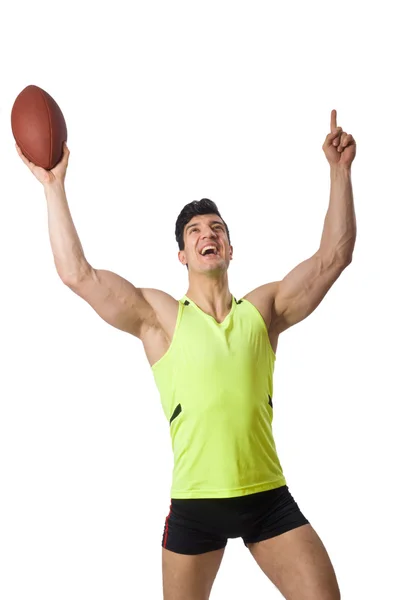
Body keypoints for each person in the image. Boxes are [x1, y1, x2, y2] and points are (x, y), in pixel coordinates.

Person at [16, 108, 356, 600]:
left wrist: (339, 172)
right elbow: (78, 274)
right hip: (195, 507)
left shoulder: (263, 310)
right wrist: (53, 186)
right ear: (182, 255)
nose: (207, 235)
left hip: (267, 498)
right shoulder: (160, 317)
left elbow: (334, 256)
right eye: (194, 231)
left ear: (230, 248)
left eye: (216, 228)